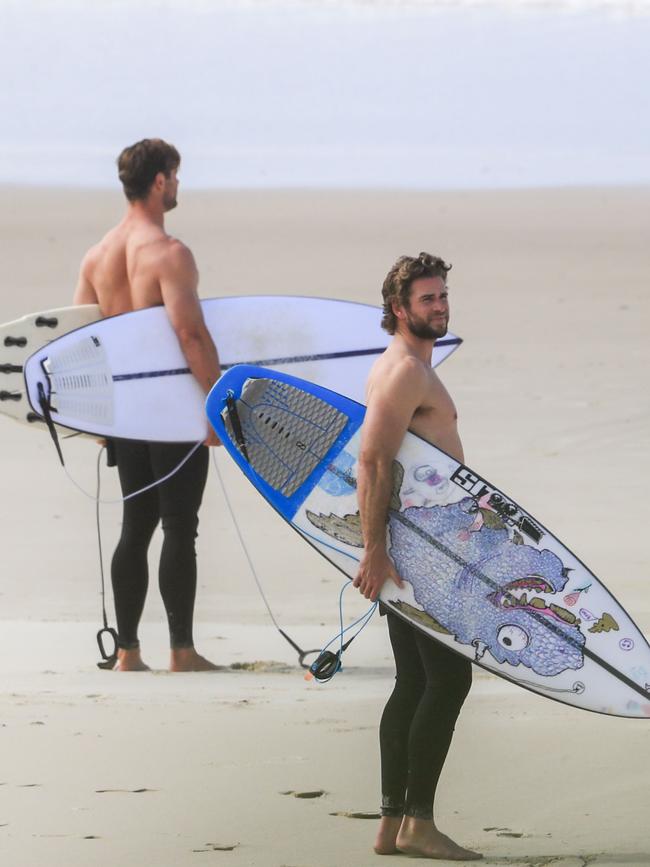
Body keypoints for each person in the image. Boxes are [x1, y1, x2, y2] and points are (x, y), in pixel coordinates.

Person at [73, 138, 222, 672]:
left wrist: (90, 415)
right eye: (175, 176)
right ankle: (182, 651)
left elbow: (79, 343)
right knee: (180, 526)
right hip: (172, 412)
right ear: (160, 180)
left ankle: (128, 653)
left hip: (124, 415)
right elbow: (190, 334)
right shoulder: (169, 253)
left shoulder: (97, 256)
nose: (178, 185)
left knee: (135, 527)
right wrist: (215, 402)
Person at [353, 252, 481, 860]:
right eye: (427, 299)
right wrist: (374, 552)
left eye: (442, 295)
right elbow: (372, 460)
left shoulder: (405, 368)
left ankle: (390, 823)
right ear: (399, 310)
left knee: (413, 682)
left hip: (418, 541)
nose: (440, 306)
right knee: (449, 679)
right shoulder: (404, 371)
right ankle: (419, 824)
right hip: (418, 551)